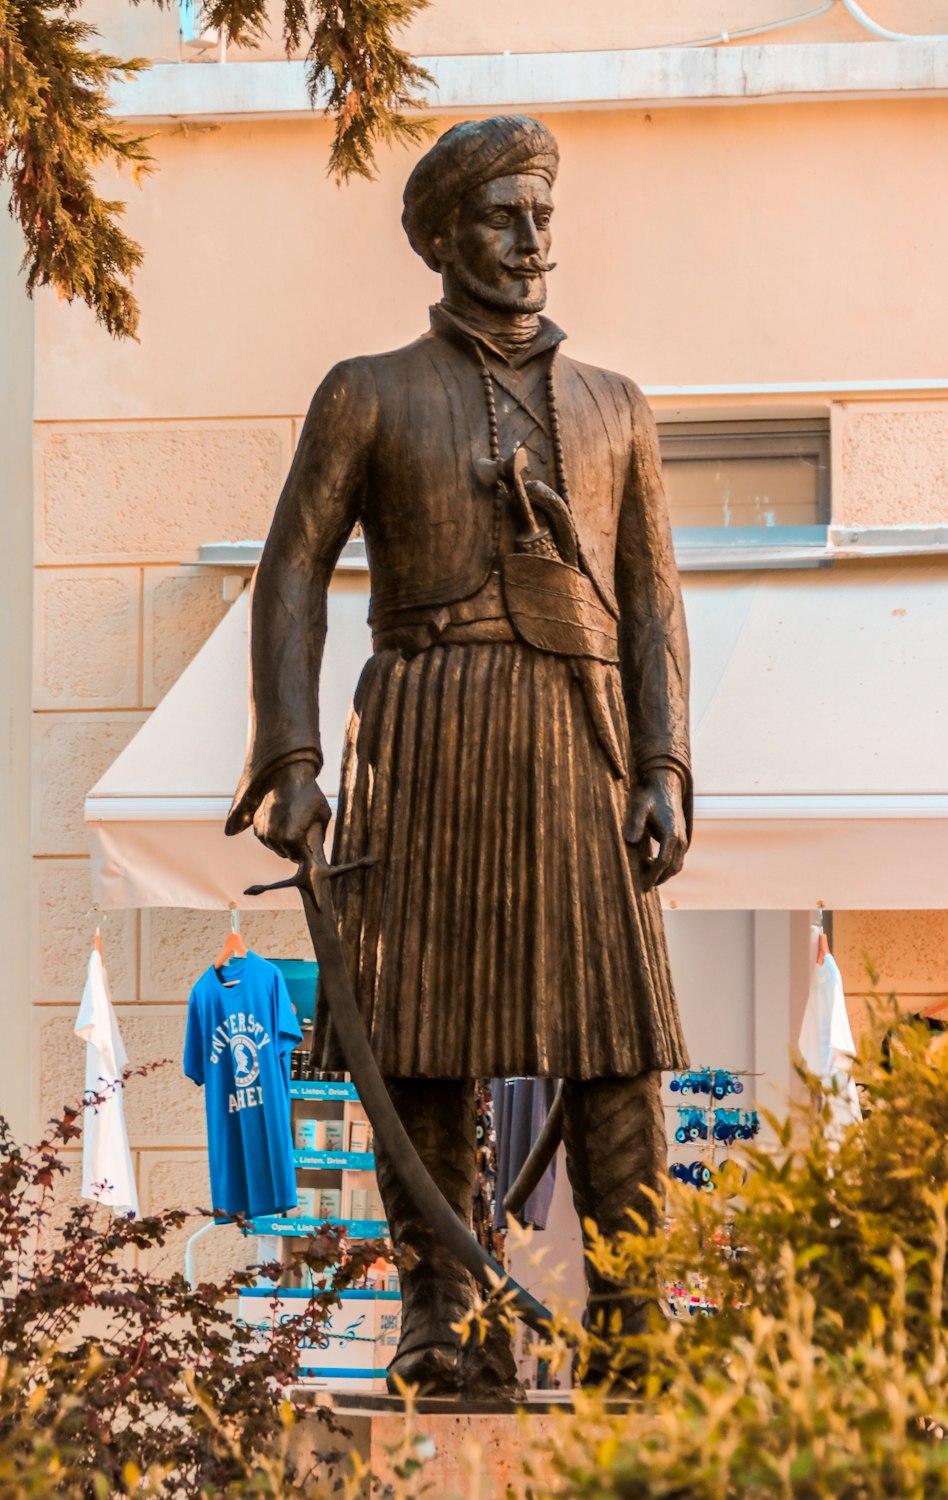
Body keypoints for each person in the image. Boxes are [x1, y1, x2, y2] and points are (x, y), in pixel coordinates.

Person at [227, 115, 693, 1396]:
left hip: (579, 749)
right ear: (439, 236)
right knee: (426, 1046)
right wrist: (295, 756)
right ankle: (442, 1314)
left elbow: (653, 602)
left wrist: (665, 767)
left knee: (614, 1055)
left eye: (543, 211)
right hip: (426, 739)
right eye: (501, 214)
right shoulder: (366, 390)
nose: (531, 237)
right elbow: (290, 578)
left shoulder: (615, 407)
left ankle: (637, 1320)